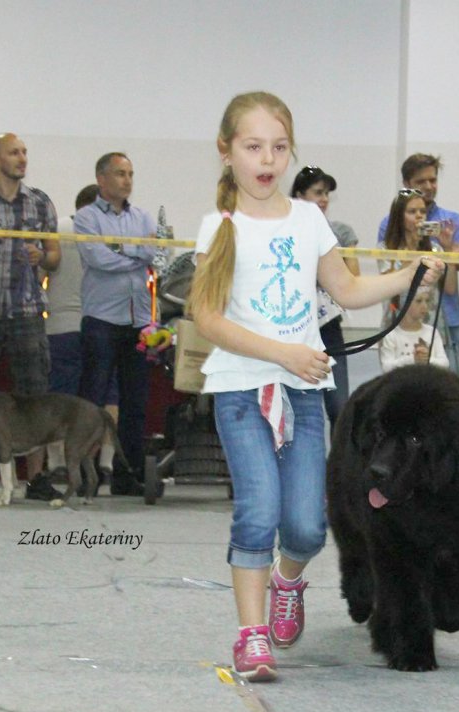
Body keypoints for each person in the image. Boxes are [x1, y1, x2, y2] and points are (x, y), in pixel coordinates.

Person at [187, 91, 443, 682]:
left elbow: (348, 291)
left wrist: (410, 272)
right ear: (227, 153)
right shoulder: (219, 226)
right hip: (242, 392)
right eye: (253, 147)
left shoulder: (309, 220)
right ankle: (251, 636)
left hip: (302, 395)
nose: (267, 159)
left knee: (305, 525)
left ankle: (288, 580)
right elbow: (208, 318)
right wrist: (285, 353)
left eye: (278, 147)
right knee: (257, 512)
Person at [0, 133, 62, 502]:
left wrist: (44, 258)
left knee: (34, 396)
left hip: (26, 312)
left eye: (24, 152)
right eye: (14, 153)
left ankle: (36, 478)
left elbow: (56, 256)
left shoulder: (40, 203)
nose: (22, 158)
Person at [74, 153, 156, 496]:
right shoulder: (85, 218)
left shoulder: (143, 217)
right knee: (91, 402)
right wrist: (134, 255)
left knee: (135, 402)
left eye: (131, 174)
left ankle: (127, 475)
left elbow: (155, 254)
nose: (127, 180)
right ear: (101, 179)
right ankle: (83, 474)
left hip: (138, 321)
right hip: (102, 321)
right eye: (120, 174)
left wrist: (126, 250)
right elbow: (98, 259)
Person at [42, 184, 119, 484]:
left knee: (59, 399)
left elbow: (40, 274)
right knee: (108, 397)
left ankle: (58, 463)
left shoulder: (57, 230)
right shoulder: (113, 236)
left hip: (61, 327)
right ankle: (107, 464)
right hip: (102, 327)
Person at [377, 153, 459, 376]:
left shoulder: (445, 231)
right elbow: (387, 285)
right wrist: (411, 249)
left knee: (444, 383)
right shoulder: (387, 247)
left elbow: (450, 287)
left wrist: (446, 252)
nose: (419, 217)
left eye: (422, 212)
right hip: (398, 322)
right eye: (412, 212)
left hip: (437, 321)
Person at [290, 165, 358, 431]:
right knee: (301, 408)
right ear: (298, 194)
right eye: (317, 192)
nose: (324, 199)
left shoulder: (340, 232)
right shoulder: (283, 230)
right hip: (294, 328)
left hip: (329, 326)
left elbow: (353, 276)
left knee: (339, 406)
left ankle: (338, 471)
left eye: (326, 193)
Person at [379, 287, 449, 372]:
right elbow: (386, 367)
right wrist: (412, 359)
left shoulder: (431, 332)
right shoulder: (392, 335)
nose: (425, 306)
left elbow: (445, 364)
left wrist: (427, 360)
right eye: (418, 301)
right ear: (405, 304)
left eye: (427, 301)